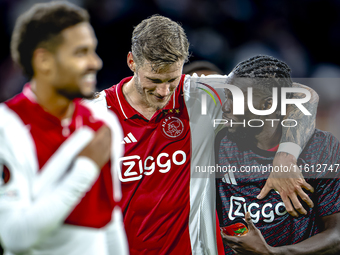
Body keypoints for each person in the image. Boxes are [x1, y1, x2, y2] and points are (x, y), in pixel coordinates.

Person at [93, 15, 318, 254]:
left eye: (172, 80)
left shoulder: (201, 95)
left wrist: (286, 156)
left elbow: (302, 95)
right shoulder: (94, 116)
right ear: (132, 62)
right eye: (154, 80)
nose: (163, 92)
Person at [0, 2, 128, 255]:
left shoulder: (103, 122)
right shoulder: (8, 125)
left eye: (93, 51)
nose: (95, 62)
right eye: (81, 53)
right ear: (44, 61)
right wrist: (86, 167)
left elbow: (109, 218)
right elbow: (15, 237)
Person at [217, 55, 340, 254]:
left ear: (267, 105)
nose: (225, 107)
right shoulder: (219, 144)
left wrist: (272, 253)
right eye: (227, 96)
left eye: (236, 99)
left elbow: (337, 236)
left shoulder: (320, 148)